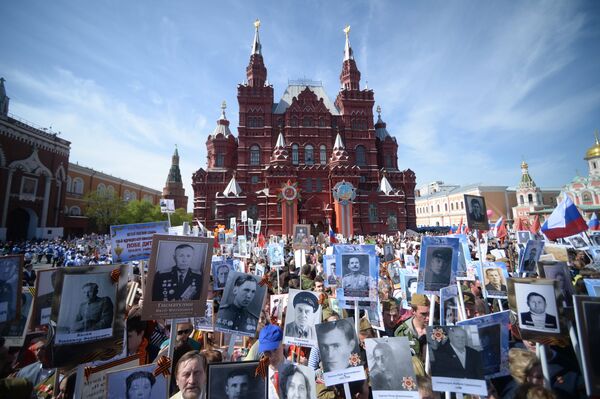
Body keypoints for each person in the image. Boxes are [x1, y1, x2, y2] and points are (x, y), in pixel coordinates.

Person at [395, 294, 430, 359]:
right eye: (423, 314)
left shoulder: (436, 329)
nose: (428, 318)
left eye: (429, 313)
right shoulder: (402, 332)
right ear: (413, 311)